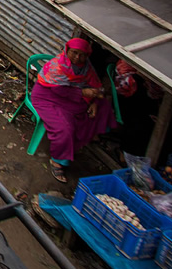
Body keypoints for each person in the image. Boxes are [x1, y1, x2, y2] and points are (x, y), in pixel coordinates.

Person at [30, 38, 116, 182]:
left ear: (87, 55)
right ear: (67, 50)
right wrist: (83, 93)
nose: (77, 57)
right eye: (74, 53)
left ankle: (90, 133)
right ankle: (57, 160)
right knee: (65, 128)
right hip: (47, 97)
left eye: (82, 54)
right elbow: (60, 90)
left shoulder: (86, 68)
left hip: (72, 97)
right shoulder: (57, 66)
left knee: (103, 105)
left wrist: (94, 101)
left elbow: (96, 85)